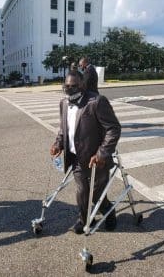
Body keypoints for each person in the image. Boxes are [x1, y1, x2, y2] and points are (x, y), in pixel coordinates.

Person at [50, 70, 121, 234]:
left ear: (82, 85)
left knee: (96, 195)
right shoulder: (63, 103)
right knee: (82, 191)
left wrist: (102, 154)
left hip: (97, 159)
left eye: (74, 86)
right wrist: (58, 144)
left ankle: (109, 212)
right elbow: (64, 130)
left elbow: (113, 129)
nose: (69, 89)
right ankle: (84, 220)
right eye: (66, 86)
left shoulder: (97, 101)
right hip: (76, 158)